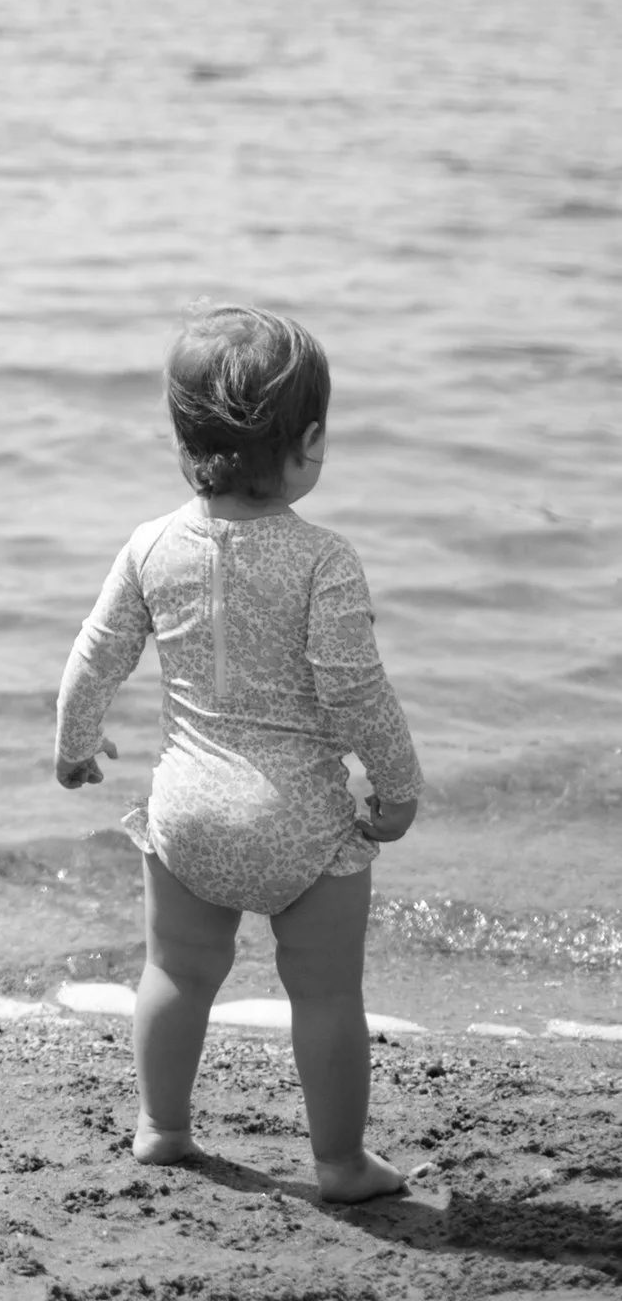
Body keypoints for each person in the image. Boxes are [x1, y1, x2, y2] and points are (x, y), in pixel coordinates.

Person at [54, 302, 422, 1200]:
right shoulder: (323, 560)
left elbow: (95, 653)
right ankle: (338, 1163)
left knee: (177, 971)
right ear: (309, 442)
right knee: (327, 997)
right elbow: (354, 689)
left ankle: (163, 1128)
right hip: (301, 818)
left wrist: (73, 744)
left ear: (185, 444)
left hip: (189, 813)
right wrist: (400, 785)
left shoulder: (150, 547)